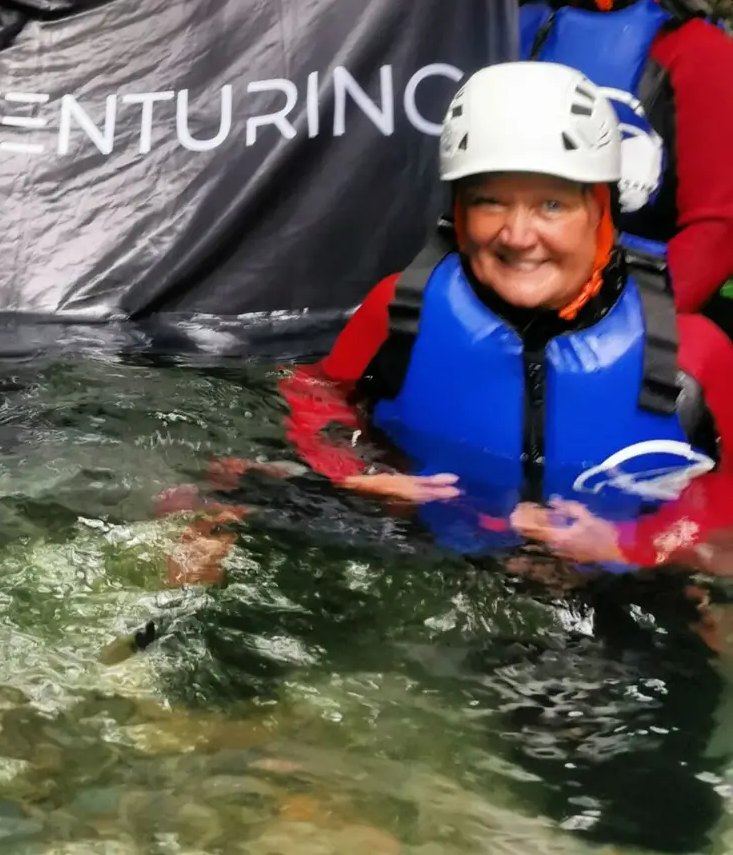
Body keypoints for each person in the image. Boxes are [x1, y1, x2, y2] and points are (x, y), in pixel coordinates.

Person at [281, 61, 733, 567]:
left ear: (600, 210)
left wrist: (633, 547)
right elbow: (313, 398)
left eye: (552, 206)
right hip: (432, 560)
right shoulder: (399, 310)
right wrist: (355, 472)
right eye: (490, 202)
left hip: (617, 590)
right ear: (458, 210)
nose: (517, 236)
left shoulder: (695, 354)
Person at [504, 0, 733, 313]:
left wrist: (608, 324)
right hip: (500, 271)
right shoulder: (508, 1)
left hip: (629, 296)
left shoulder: (696, 50)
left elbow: (718, 228)